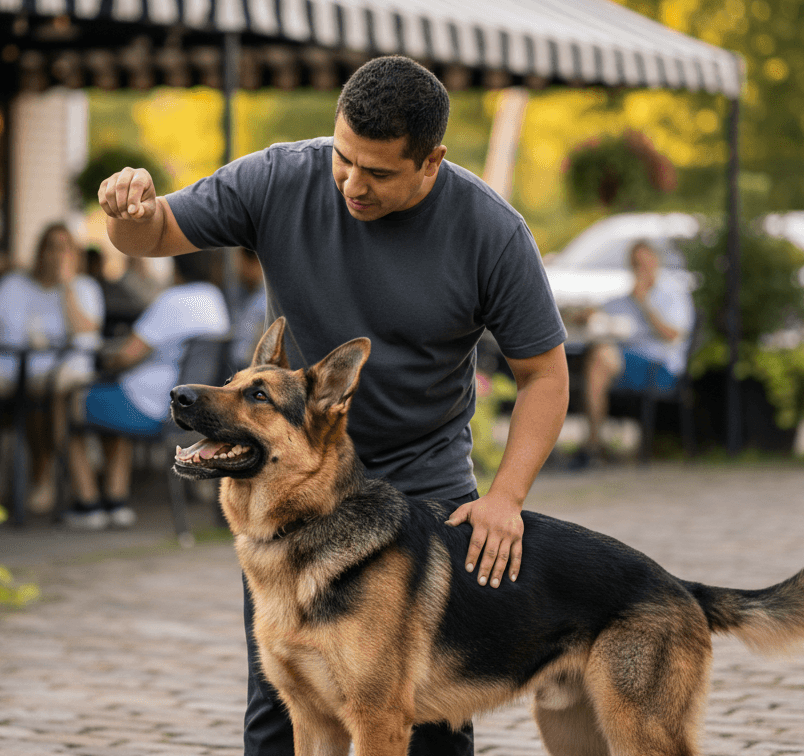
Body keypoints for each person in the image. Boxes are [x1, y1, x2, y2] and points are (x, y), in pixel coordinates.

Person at [98, 55, 569, 756]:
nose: (352, 182)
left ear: (431, 160)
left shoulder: (490, 231)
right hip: (297, 490)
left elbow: (545, 376)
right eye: (344, 159)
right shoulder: (281, 175)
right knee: (282, 708)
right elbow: (157, 232)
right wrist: (128, 212)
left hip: (423, 488)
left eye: (378, 172)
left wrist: (506, 497)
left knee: (430, 719)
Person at [61, 251, 229, 530]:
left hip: (156, 407)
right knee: (115, 397)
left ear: (176, 267)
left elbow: (128, 355)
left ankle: (87, 501)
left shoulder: (173, 300)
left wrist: (108, 359)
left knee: (68, 400)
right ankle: (116, 500)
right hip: (195, 410)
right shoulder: (214, 297)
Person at [0, 223, 105, 514]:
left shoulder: (84, 287)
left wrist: (66, 286)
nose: (57, 254)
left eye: (65, 248)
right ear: (40, 252)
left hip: (57, 372)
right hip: (5, 369)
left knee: (45, 401)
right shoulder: (15, 284)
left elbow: (86, 332)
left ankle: (43, 480)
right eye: (51, 247)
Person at [575, 240, 694, 468]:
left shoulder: (672, 293)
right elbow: (603, 314)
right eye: (636, 264)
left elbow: (672, 335)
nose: (641, 269)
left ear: (656, 261)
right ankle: (594, 444)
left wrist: (644, 303)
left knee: (599, 359)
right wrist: (587, 315)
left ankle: (593, 446)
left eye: (645, 263)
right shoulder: (625, 299)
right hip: (627, 364)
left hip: (661, 367)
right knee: (595, 357)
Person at [229, 247, 267, 370]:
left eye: (239, 259)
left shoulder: (264, 302)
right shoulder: (251, 295)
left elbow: (243, 355)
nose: (236, 267)